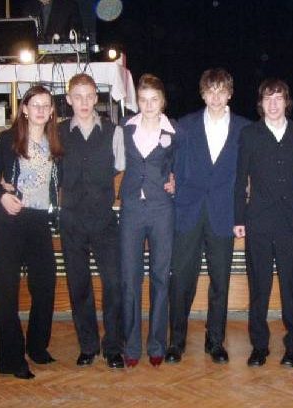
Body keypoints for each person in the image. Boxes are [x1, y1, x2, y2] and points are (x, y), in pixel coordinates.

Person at [165, 68, 251, 365]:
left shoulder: (244, 128)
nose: (215, 97)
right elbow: (168, 160)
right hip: (187, 211)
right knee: (181, 280)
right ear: (202, 94)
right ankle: (176, 341)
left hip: (223, 214)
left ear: (230, 94)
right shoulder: (184, 125)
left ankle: (215, 341)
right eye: (210, 91)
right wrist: (169, 179)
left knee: (220, 282)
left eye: (221, 91)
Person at [0, 85, 62, 380]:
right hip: (10, 220)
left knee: (45, 286)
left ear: (52, 111)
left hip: (39, 221)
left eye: (46, 105)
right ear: (25, 109)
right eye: (35, 105)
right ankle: (11, 359)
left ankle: (37, 347)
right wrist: (2, 195)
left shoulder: (55, 141)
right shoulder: (8, 139)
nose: (41, 110)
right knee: (7, 292)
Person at [234, 78, 293, 368]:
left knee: (292, 287)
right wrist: (239, 218)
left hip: (292, 223)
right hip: (259, 222)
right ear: (261, 103)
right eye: (268, 98)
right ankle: (259, 345)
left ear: (286, 102)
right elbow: (240, 179)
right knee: (259, 287)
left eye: (278, 98)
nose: (273, 104)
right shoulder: (249, 134)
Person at [58, 73, 125, 369]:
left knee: (114, 283)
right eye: (78, 97)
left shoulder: (113, 131)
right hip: (71, 220)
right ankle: (88, 345)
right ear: (69, 99)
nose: (84, 102)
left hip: (104, 220)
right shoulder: (58, 132)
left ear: (96, 98)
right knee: (79, 285)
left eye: (89, 96)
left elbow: (120, 166)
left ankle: (113, 347)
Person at [119, 74, 176, 368]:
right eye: (143, 99)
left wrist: (177, 181)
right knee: (130, 278)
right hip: (131, 208)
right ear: (137, 101)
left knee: (160, 278)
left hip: (162, 209)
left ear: (162, 101)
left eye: (154, 99)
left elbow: (186, 166)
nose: (149, 105)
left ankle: (156, 344)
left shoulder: (175, 131)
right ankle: (131, 346)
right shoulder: (124, 128)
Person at [14, 0, 82, 42]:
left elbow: (76, 32)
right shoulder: (27, 6)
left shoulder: (69, 5)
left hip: (62, 57)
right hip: (32, 56)